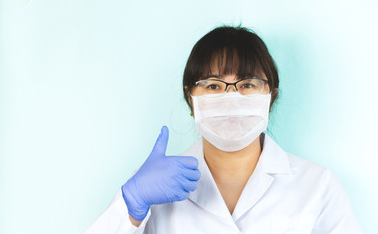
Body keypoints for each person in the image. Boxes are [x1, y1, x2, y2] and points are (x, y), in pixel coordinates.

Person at [84, 26, 361, 234]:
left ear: (271, 97)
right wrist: (129, 206)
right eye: (213, 85)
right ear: (190, 98)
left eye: (247, 84)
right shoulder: (149, 190)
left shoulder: (317, 186)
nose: (231, 98)